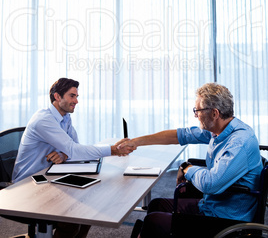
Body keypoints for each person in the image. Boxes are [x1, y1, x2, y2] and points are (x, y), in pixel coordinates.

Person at [120, 83, 263, 238]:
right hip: (212, 205)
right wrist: (136, 142)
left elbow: (210, 184)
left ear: (214, 113)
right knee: (156, 205)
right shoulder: (220, 129)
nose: (195, 115)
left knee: (154, 221)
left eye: (198, 110)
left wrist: (187, 168)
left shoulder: (239, 142)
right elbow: (179, 135)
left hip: (225, 220)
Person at [12, 77, 134, 238]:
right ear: (57, 97)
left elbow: (73, 147)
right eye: (72, 96)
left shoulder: (64, 117)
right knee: (73, 218)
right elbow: (75, 149)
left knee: (86, 207)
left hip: (49, 175)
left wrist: (63, 154)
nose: (76, 101)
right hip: (29, 183)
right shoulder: (44, 119)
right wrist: (113, 150)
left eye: (77, 96)